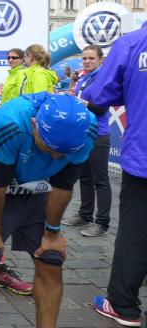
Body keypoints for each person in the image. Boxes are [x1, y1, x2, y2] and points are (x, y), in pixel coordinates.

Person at [0, 93, 96, 328]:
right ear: (35, 124)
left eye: (63, 153)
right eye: (50, 148)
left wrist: (53, 233)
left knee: (51, 258)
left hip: (39, 183)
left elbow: (63, 185)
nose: (57, 156)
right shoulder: (10, 123)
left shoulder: (86, 130)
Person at [82, 21, 147, 328]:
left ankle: (123, 305)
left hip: (143, 157)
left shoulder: (133, 43)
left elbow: (99, 95)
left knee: (136, 233)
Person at [62, 46, 111, 237]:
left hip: (98, 133)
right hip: (82, 133)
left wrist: (81, 102)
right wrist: (72, 96)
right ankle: (85, 215)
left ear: (100, 60)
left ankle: (102, 223)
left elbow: (102, 109)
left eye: (91, 58)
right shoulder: (84, 77)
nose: (87, 61)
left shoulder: (103, 78)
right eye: (84, 58)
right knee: (84, 177)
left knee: (101, 180)